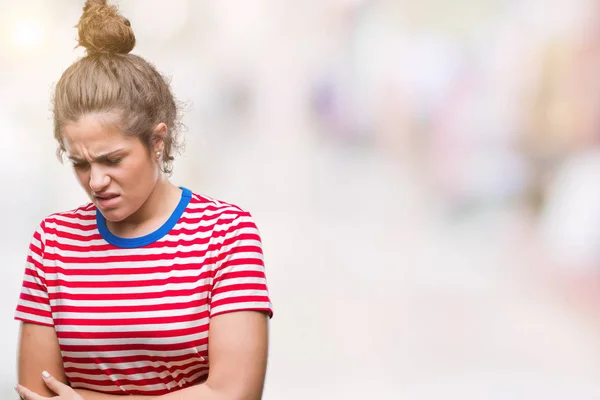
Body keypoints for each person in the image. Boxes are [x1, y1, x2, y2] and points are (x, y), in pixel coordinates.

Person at [14, 1, 273, 399]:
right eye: (79, 163)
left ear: (157, 140)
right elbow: (36, 392)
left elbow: (234, 394)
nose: (96, 181)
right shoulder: (54, 242)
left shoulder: (226, 234)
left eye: (112, 160)